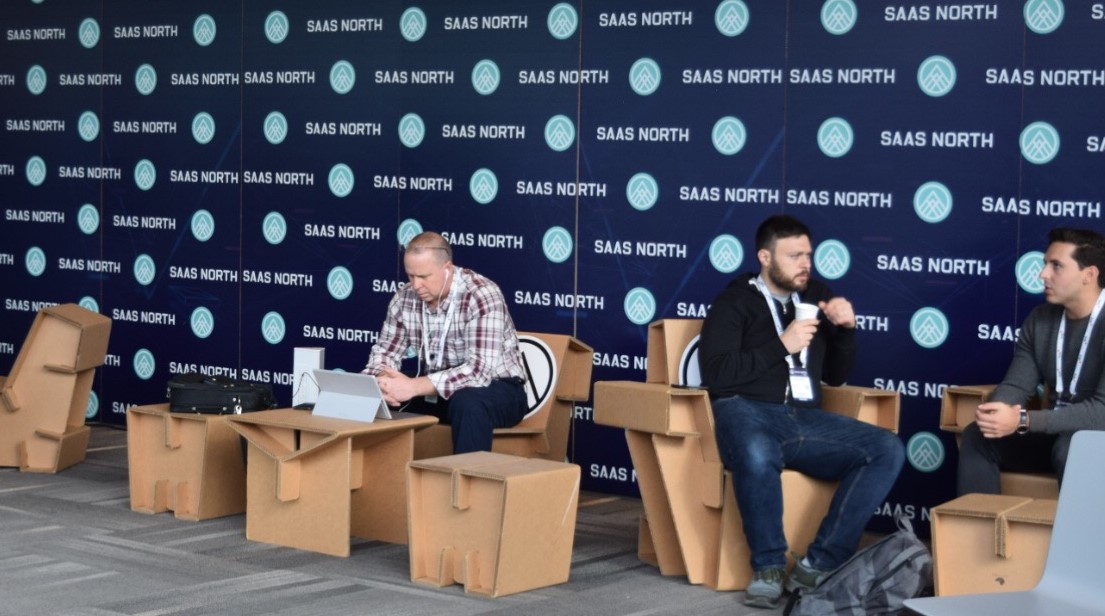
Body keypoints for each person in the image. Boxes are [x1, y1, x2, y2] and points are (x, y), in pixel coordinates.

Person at [698, 214, 905, 609]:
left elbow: (836, 376)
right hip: (746, 409)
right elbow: (719, 374)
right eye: (794, 256)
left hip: (804, 418)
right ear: (764, 256)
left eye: (808, 254)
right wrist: (783, 344)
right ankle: (769, 567)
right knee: (758, 454)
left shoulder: (816, 296)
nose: (805, 264)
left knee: (886, 448)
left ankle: (818, 564)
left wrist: (846, 330)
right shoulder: (734, 302)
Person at [958, 227, 1105, 495]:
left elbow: (1101, 411)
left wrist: (1025, 420)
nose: (1043, 274)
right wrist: (998, 411)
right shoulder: (1040, 319)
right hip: (1054, 431)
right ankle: (980, 534)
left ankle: (1081, 537)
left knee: (1071, 448)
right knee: (978, 436)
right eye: (1044, 264)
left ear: (1089, 275)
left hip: (1096, 436)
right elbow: (1017, 384)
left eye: (1056, 266)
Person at [362, 231, 528, 454]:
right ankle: (385, 484)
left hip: (498, 389)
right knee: (381, 398)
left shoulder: (481, 294)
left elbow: (478, 372)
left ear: (447, 269)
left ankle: (469, 486)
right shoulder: (404, 297)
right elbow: (385, 351)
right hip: (436, 388)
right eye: (410, 276)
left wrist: (412, 386)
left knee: (467, 403)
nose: (416, 284)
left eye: (424, 276)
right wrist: (382, 381)